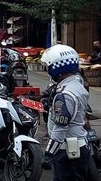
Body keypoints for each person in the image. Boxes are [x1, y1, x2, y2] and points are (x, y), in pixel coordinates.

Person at [40, 44, 90, 180]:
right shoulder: (78, 85)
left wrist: (49, 154)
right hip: (79, 147)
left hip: (68, 151)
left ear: (56, 67)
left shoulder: (65, 94)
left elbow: (60, 128)